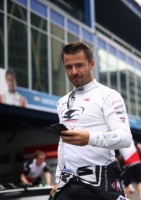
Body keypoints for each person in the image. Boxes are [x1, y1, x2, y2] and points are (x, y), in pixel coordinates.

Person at [50, 42, 132, 200]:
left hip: (101, 183)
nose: (74, 72)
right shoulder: (62, 102)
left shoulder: (108, 95)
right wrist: (57, 180)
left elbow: (125, 138)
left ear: (92, 64)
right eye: (68, 67)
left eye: (79, 65)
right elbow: (63, 143)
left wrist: (89, 138)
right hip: (68, 184)